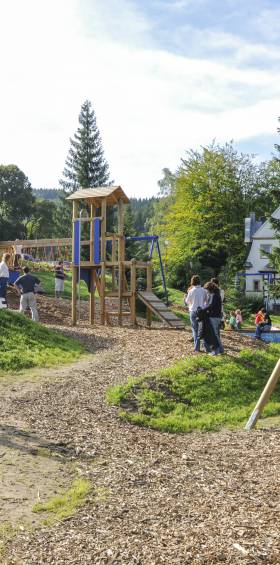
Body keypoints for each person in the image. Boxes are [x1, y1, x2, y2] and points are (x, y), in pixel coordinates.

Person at [184, 275, 208, 352]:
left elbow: (187, 302)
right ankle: (206, 347)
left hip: (193, 311)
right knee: (202, 329)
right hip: (201, 311)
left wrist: (185, 298)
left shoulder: (191, 291)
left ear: (192, 282)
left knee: (195, 330)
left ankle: (197, 348)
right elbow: (206, 301)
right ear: (199, 281)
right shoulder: (204, 290)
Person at [204, 281, 224, 355]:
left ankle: (217, 351)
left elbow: (211, 306)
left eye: (207, 290)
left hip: (214, 317)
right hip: (217, 316)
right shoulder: (217, 295)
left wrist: (204, 309)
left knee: (214, 336)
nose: (207, 292)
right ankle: (221, 350)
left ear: (210, 289)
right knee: (215, 335)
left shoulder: (214, 296)